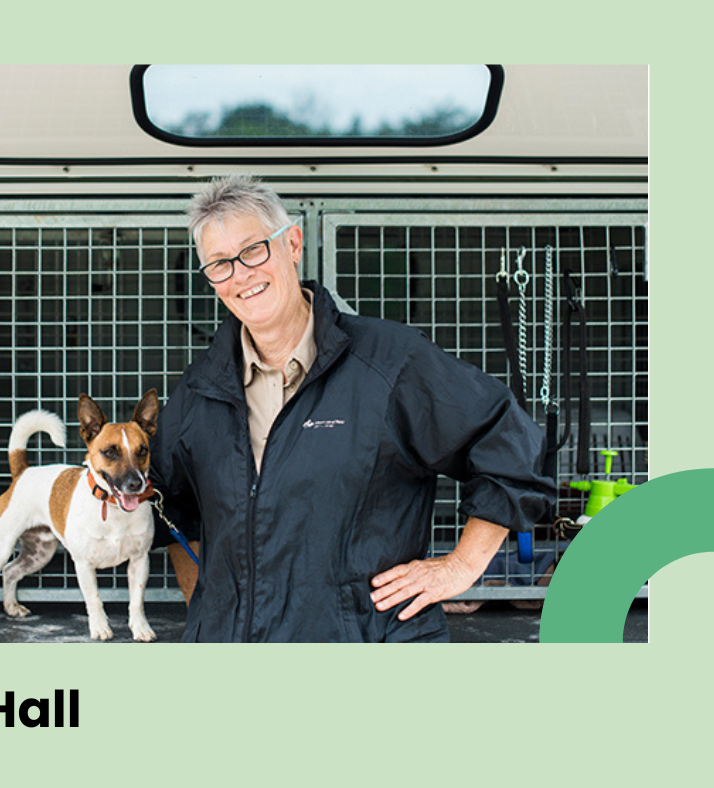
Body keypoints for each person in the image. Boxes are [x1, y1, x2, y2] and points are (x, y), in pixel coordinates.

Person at [150, 174, 555, 642]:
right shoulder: (200, 390)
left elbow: (507, 441)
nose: (241, 274)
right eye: (219, 264)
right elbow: (168, 505)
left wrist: (460, 566)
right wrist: (207, 613)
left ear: (293, 244)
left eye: (253, 250)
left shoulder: (388, 363)